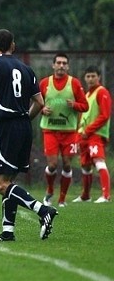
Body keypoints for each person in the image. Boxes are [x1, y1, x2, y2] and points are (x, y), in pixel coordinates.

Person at [0, 29, 57, 242]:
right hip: (23, 126)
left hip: (8, 126)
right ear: (13, 45)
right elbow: (39, 103)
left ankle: (43, 210)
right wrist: (25, 120)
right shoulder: (27, 69)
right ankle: (8, 231)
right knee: (9, 181)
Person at [39, 53, 88, 207]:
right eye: (58, 63)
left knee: (67, 165)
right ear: (53, 65)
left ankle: (62, 199)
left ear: (68, 66)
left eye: (64, 63)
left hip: (69, 132)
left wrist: (74, 105)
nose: (61, 66)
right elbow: (37, 103)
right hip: (50, 130)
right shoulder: (45, 83)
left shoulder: (74, 83)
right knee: (52, 165)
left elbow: (85, 105)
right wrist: (42, 109)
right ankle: (50, 190)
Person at [73, 66, 111, 203]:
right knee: (85, 165)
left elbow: (105, 115)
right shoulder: (87, 95)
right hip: (84, 135)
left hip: (95, 134)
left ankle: (106, 195)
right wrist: (79, 134)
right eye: (88, 76)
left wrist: (88, 130)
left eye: (93, 76)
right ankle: (86, 196)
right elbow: (83, 117)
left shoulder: (102, 92)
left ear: (99, 77)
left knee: (99, 161)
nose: (90, 79)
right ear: (85, 78)